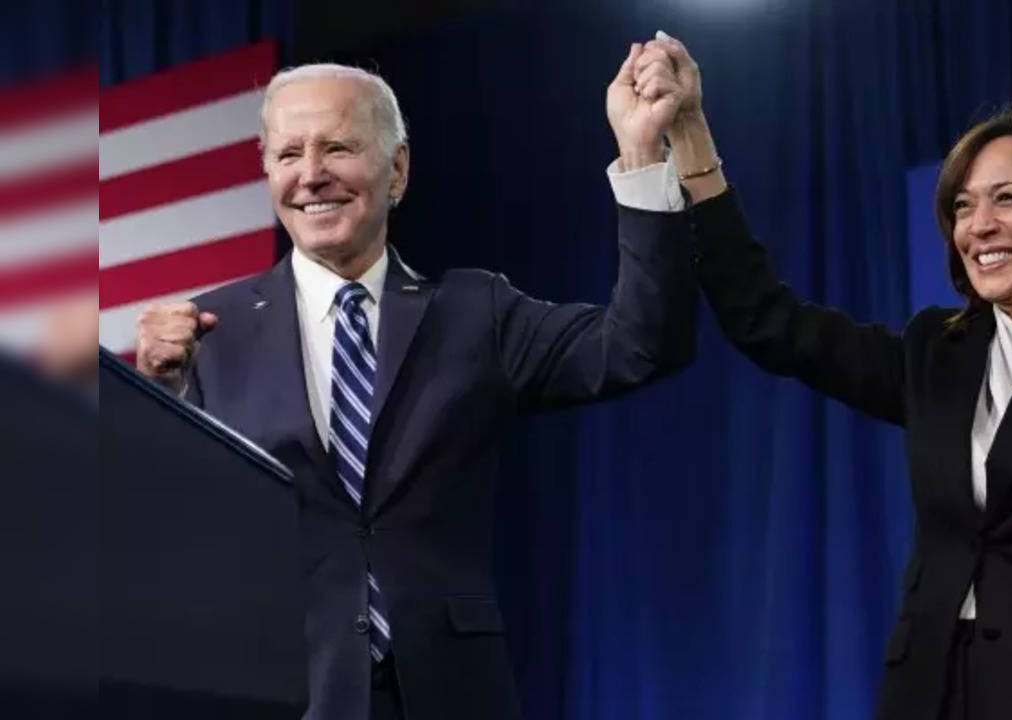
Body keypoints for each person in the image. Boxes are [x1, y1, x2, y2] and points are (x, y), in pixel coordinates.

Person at [133, 47, 696, 720]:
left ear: (396, 167)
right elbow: (162, 535)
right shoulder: (209, 332)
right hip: (284, 696)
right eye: (287, 156)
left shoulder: (475, 313)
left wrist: (640, 157)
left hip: (452, 695)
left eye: (337, 147)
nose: (311, 176)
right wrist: (156, 396)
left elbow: (639, 347)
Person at [631, 34, 1012, 720]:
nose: (979, 227)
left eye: (1006, 199)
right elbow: (766, 320)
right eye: (961, 207)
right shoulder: (936, 353)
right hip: (934, 693)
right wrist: (691, 142)